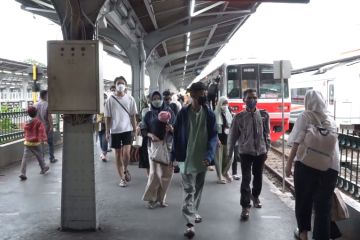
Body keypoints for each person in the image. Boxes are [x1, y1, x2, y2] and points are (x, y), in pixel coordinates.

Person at [285, 90, 340, 240]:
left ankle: (303, 234)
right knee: (323, 207)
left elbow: (295, 142)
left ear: (307, 102)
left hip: (306, 166)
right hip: (330, 168)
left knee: (303, 200)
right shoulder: (332, 120)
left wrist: (288, 165)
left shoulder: (305, 116)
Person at [171, 82, 217, 238]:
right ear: (192, 95)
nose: (203, 96)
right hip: (186, 158)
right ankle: (190, 223)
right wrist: (173, 157)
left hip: (202, 159)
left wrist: (209, 156)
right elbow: (176, 135)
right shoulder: (183, 113)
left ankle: (193, 211)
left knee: (197, 189)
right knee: (189, 190)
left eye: (204, 93)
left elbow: (213, 137)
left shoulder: (209, 114)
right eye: (200, 94)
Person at [227, 88, 270, 221]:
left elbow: (267, 134)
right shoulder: (239, 117)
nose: (252, 100)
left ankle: (255, 196)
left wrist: (267, 149)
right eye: (250, 98)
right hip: (245, 152)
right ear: (244, 100)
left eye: (255, 98)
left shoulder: (263, 115)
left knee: (258, 177)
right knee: (246, 179)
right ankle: (245, 206)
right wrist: (229, 154)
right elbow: (232, 136)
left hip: (260, 151)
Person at [142, 91, 175, 209]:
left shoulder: (170, 112)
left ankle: (161, 199)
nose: (157, 100)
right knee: (154, 174)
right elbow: (143, 130)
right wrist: (151, 135)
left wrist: (171, 129)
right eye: (154, 98)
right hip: (153, 147)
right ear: (150, 100)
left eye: (158, 98)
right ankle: (151, 199)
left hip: (167, 146)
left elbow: (176, 128)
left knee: (166, 174)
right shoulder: (148, 114)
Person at [104, 76, 137, 187]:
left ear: (125, 85)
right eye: (118, 83)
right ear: (115, 85)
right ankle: (122, 178)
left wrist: (135, 129)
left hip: (127, 129)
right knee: (118, 154)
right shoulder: (110, 99)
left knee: (126, 153)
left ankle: (125, 169)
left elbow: (133, 116)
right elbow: (107, 116)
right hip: (115, 130)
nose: (120, 85)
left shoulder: (130, 99)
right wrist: (107, 131)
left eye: (122, 83)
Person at [19, 106, 50, 180]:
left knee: (25, 158)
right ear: (36, 113)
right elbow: (42, 131)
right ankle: (43, 168)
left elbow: (24, 129)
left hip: (27, 142)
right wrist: (44, 139)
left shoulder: (26, 122)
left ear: (28, 114)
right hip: (36, 142)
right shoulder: (38, 122)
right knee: (39, 156)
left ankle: (22, 173)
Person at [213, 96, 233, 184]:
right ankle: (219, 176)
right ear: (219, 104)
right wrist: (216, 139)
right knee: (219, 159)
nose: (225, 105)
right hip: (219, 139)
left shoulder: (228, 113)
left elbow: (231, 126)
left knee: (229, 157)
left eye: (226, 103)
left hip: (227, 139)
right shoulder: (215, 113)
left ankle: (225, 172)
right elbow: (213, 129)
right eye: (223, 104)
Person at [35, 90, 58, 163]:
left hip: (38, 127)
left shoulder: (35, 105)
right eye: (47, 95)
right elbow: (49, 116)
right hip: (46, 126)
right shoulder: (47, 104)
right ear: (45, 95)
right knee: (50, 143)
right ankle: (52, 158)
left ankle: (42, 160)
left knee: (40, 144)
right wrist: (51, 126)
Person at [95, 93, 109, 162]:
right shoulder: (97, 106)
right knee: (100, 140)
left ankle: (104, 154)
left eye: (105, 98)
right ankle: (103, 152)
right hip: (98, 125)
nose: (103, 99)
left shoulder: (107, 106)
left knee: (104, 140)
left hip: (105, 125)